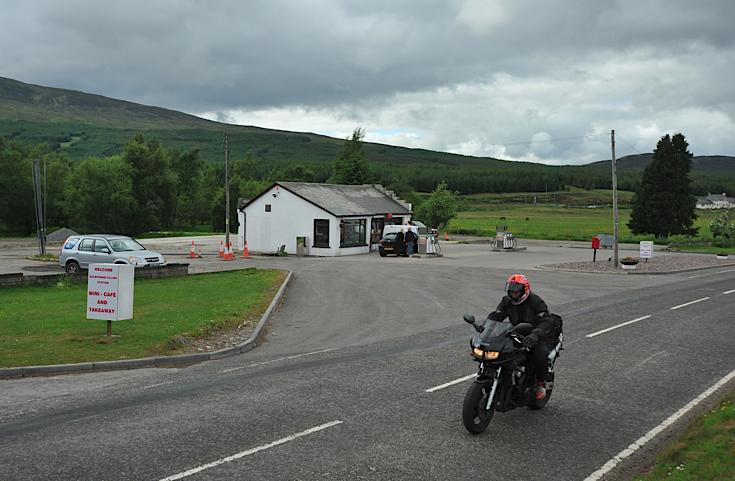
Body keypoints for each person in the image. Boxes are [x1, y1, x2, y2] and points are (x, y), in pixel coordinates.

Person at [485, 273, 561, 401]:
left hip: (537, 334)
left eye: (516, 292)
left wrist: (535, 335)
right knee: (501, 353)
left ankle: (540, 384)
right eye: (511, 291)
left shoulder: (536, 301)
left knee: (539, 355)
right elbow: (497, 316)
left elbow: (546, 321)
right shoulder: (507, 301)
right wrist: (486, 329)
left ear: (524, 291)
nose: (513, 294)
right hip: (517, 332)